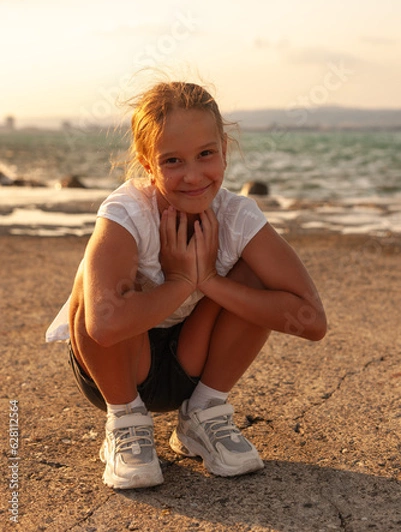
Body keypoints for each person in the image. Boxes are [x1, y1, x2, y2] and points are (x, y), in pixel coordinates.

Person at [46, 80, 327, 490]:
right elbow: (103, 326)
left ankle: (203, 414)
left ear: (225, 151)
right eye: (173, 160)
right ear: (147, 163)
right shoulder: (128, 212)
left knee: (254, 275)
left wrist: (210, 280)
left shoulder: (237, 217)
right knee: (92, 277)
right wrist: (180, 281)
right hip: (117, 364)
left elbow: (312, 320)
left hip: (192, 366)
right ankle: (125, 420)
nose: (193, 175)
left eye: (206, 154)